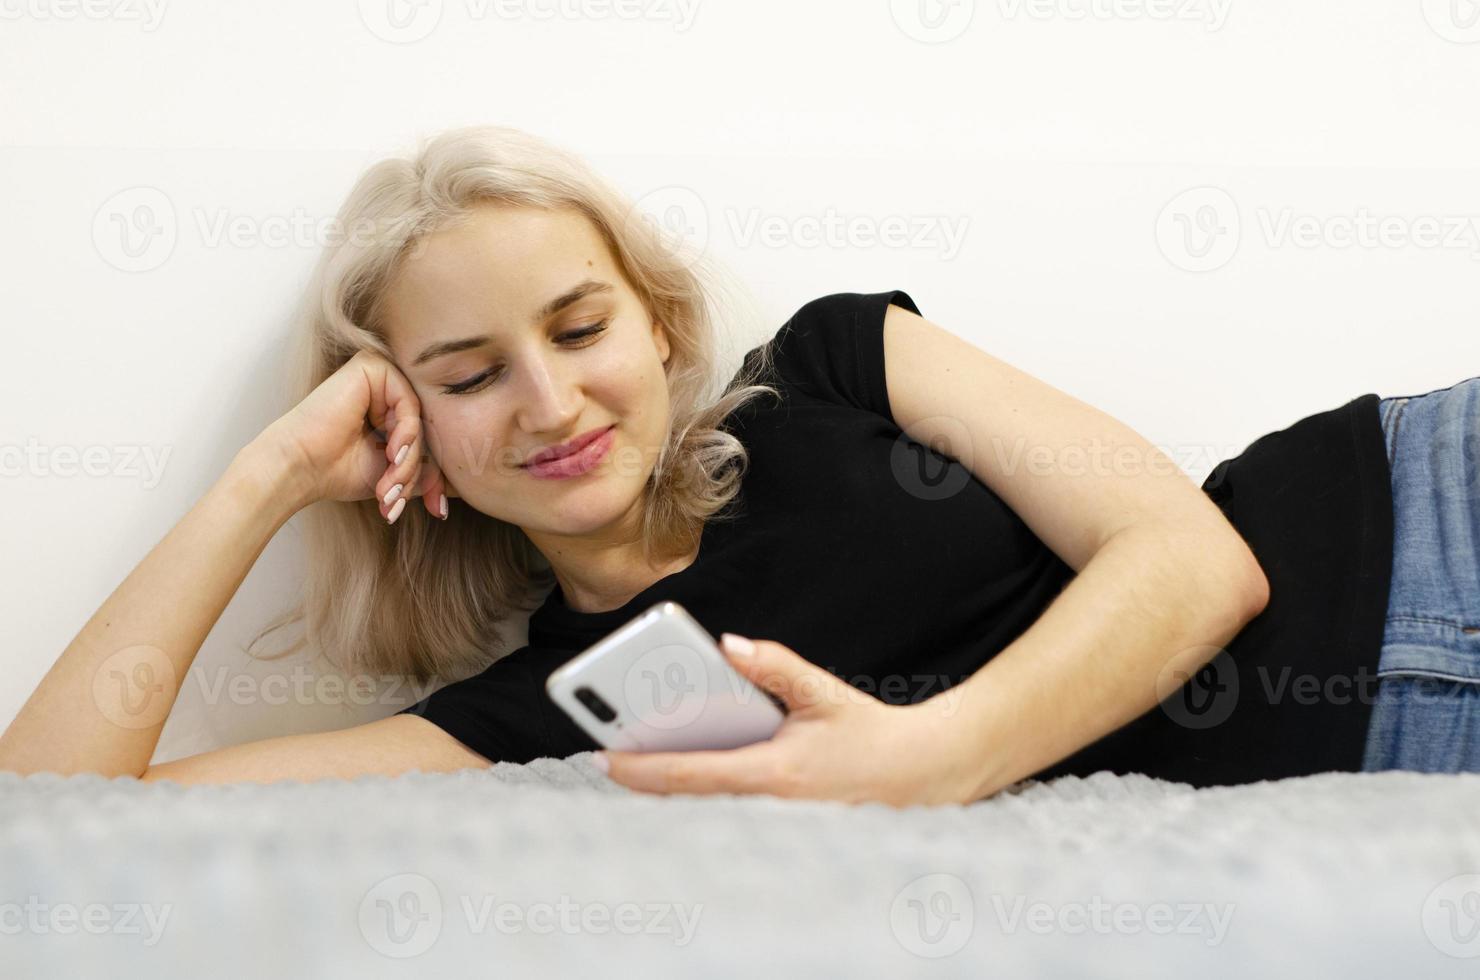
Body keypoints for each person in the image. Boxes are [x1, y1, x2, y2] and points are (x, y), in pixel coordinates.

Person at [1, 125, 1474, 806]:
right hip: (1399, 754)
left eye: (581, 326)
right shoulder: (527, 720)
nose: (549, 397)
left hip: (1421, 504)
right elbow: (50, 817)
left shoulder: (833, 363)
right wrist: (265, 476)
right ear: (412, 433)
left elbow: (1195, 559)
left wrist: (926, 758)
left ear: (657, 327)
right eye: (465, 376)